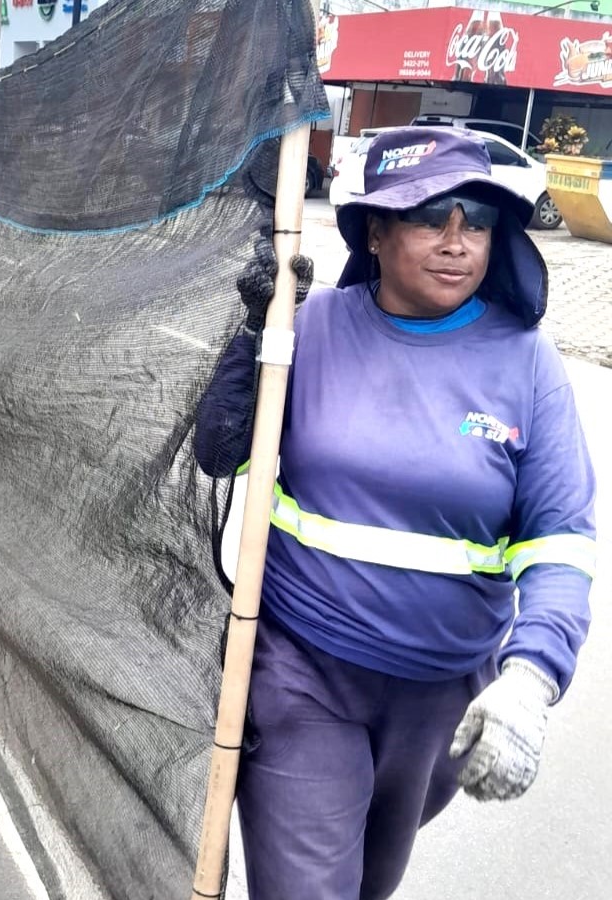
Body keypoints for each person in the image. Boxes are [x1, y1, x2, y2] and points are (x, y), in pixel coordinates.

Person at [194, 127, 596, 900]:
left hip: (442, 696)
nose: (456, 241)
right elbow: (219, 451)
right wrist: (255, 336)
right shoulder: (311, 328)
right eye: (429, 215)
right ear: (374, 232)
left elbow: (559, 540)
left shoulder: (526, 362)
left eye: (477, 221)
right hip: (303, 673)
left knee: (368, 886)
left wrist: (532, 677)